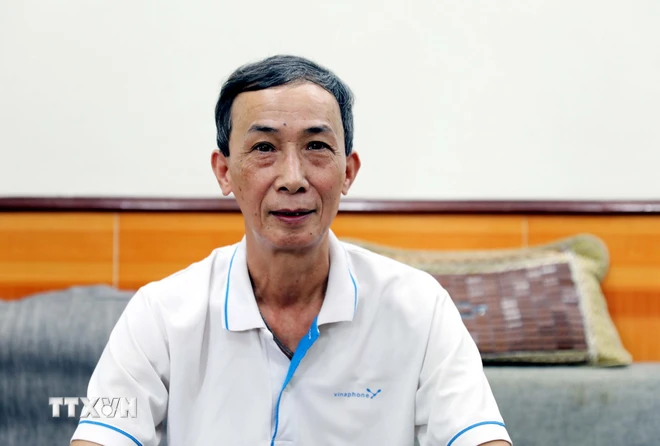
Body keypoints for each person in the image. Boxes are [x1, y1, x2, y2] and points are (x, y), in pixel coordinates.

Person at [71, 55, 512, 446]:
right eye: (264, 148)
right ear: (224, 171)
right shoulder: (160, 313)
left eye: (316, 146)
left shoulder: (419, 307)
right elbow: (103, 433)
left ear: (348, 171)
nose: (293, 178)